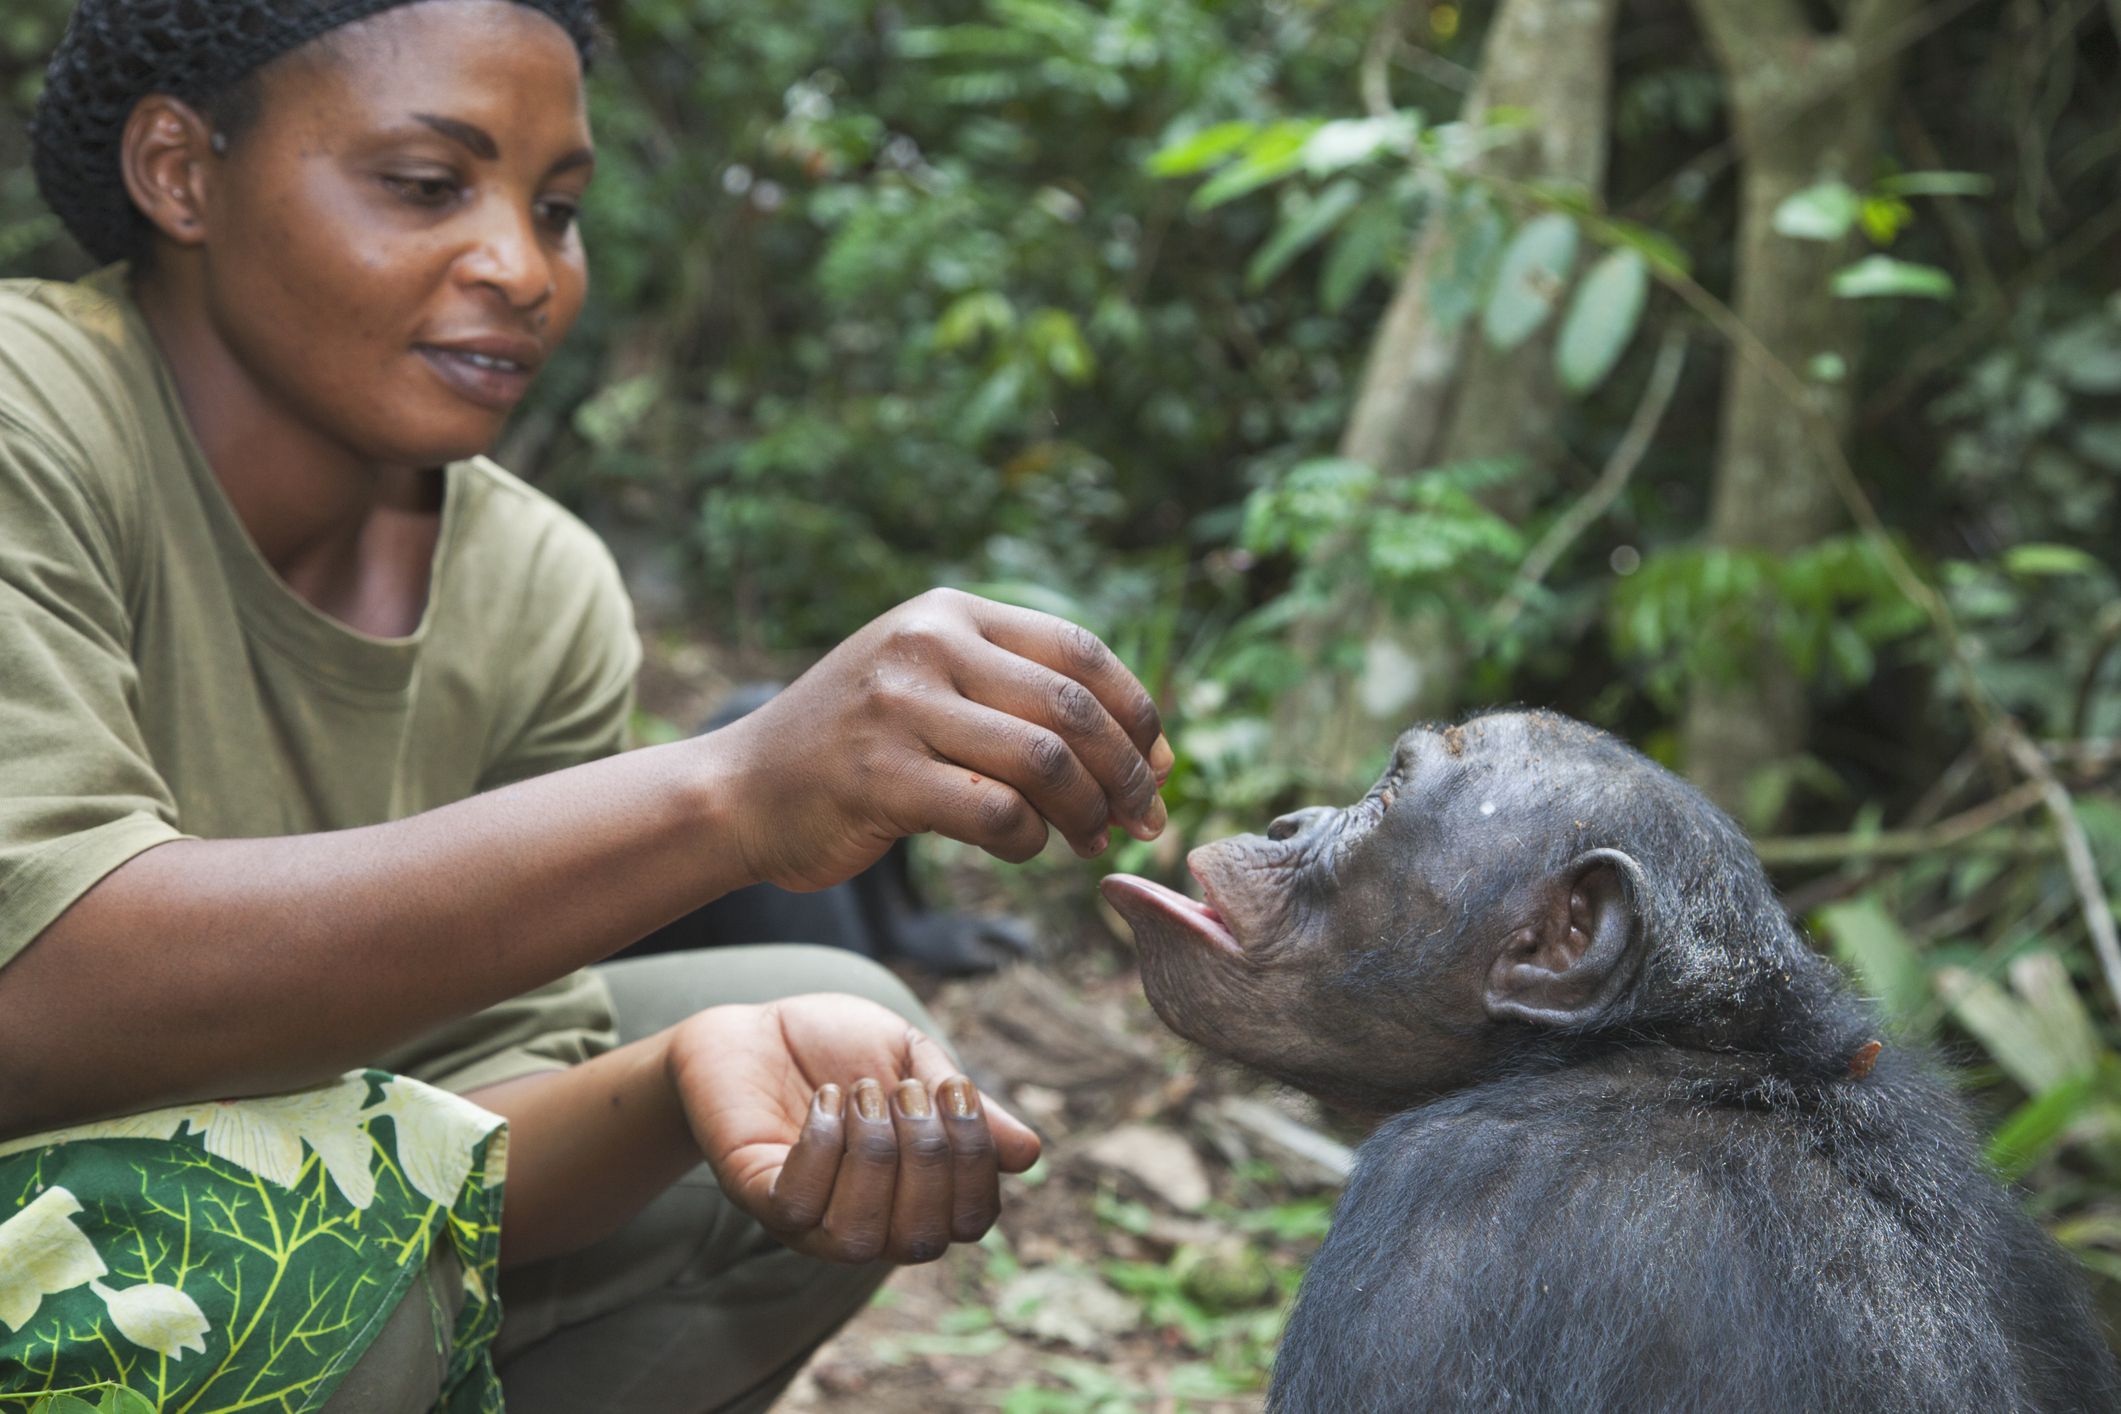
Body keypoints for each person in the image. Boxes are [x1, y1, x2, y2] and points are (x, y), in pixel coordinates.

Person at [0, 1, 1172, 1409]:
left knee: (814, 1032)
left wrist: (684, 1086)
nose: (521, 266)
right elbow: (41, 997)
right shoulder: (35, 412)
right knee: (292, 1250)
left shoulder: (536, 581)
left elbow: (477, 1128)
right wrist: (730, 789)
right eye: (427, 186)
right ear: (180, 171)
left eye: (556, 208)